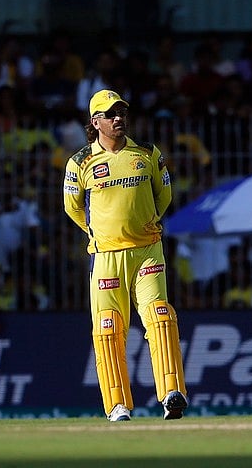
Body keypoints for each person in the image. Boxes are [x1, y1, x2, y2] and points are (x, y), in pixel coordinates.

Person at [63, 89, 187, 422]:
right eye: (110, 113)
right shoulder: (80, 163)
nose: (118, 118)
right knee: (108, 329)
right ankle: (118, 405)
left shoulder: (147, 153)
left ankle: (171, 393)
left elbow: (164, 196)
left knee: (160, 316)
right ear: (95, 122)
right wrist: (102, 234)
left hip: (148, 251)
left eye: (122, 112)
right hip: (106, 256)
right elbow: (73, 209)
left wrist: (145, 225)